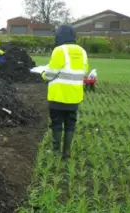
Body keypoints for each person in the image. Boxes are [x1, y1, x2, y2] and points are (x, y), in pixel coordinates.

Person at [41, 25, 88, 160]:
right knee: (70, 124)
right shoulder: (82, 51)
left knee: (56, 123)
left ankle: (55, 152)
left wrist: (43, 74)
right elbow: (84, 71)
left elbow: (51, 73)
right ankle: (66, 154)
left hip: (58, 96)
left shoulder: (59, 50)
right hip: (74, 96)